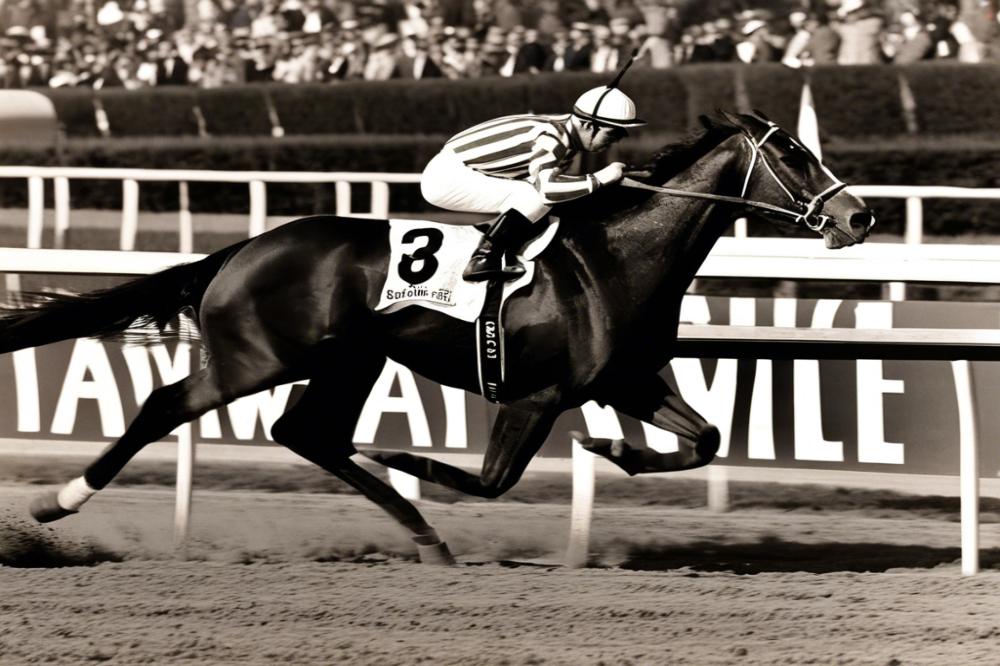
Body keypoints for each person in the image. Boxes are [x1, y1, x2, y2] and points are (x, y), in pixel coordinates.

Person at [420, 75, 644, 282]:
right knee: (536, 196)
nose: (615, 141)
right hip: (447, 177)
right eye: (613, 133)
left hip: (465, 171)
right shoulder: (552, 138)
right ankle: (484, 258)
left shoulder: (565, 136)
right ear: (587, 124)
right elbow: (547, 191)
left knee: (550, 197)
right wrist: (600, 178)